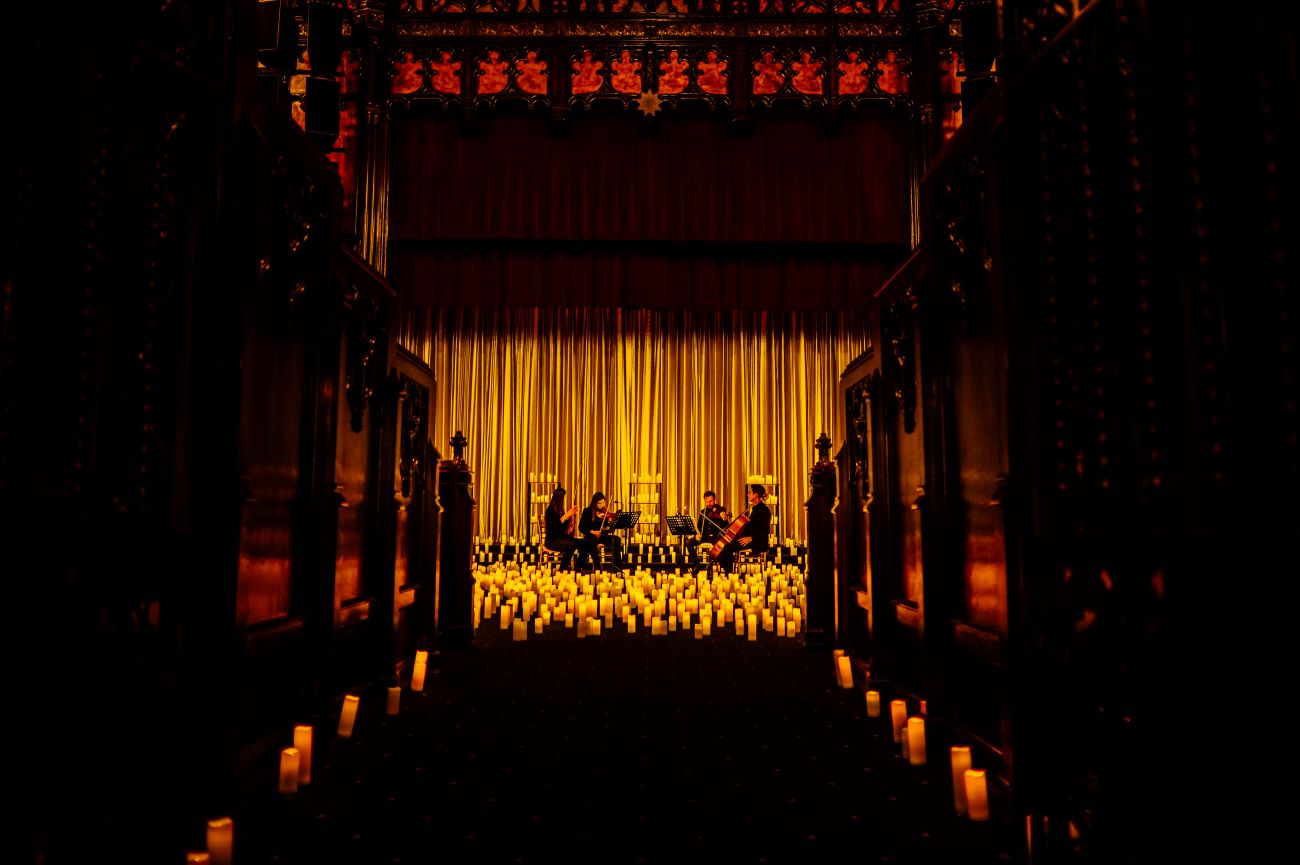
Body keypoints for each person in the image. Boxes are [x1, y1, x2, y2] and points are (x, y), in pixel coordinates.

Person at [719, 483, 771, 573]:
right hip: (750, 539)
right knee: (727, 545)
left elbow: (765, 531)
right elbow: (749, 527)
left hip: (757, 543)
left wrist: (750, 538)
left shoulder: (764, 510)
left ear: (755, 495)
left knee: (728, 548)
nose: (747, 494)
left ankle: (728, 573)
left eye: (749, 492)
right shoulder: (754, 509)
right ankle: (727, 570)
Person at [578, 492, 624, 571]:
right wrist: (592, 531)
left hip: (602, 536)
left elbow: (606, 527)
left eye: (603, 502)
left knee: (617, 539)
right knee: (590, 542)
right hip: (591, 536)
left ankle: (617, 566)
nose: (602, 505)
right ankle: (597, 567)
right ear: (594, 503)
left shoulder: (604, 512)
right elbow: (581, 527)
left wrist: (610, 522)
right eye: (599, 503)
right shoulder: (587, 511)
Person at [544, 487, 581, 569]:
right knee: (571, 546)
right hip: (552, 541)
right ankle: (562, 569)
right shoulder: (550, 511)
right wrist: (567, 514)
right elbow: (555, 527)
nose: (563, 501)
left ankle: (578, 567)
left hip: (561, 538)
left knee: (581, 542)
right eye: (563, 498)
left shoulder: (560, 511)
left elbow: (562, 528)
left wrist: (571, 516)